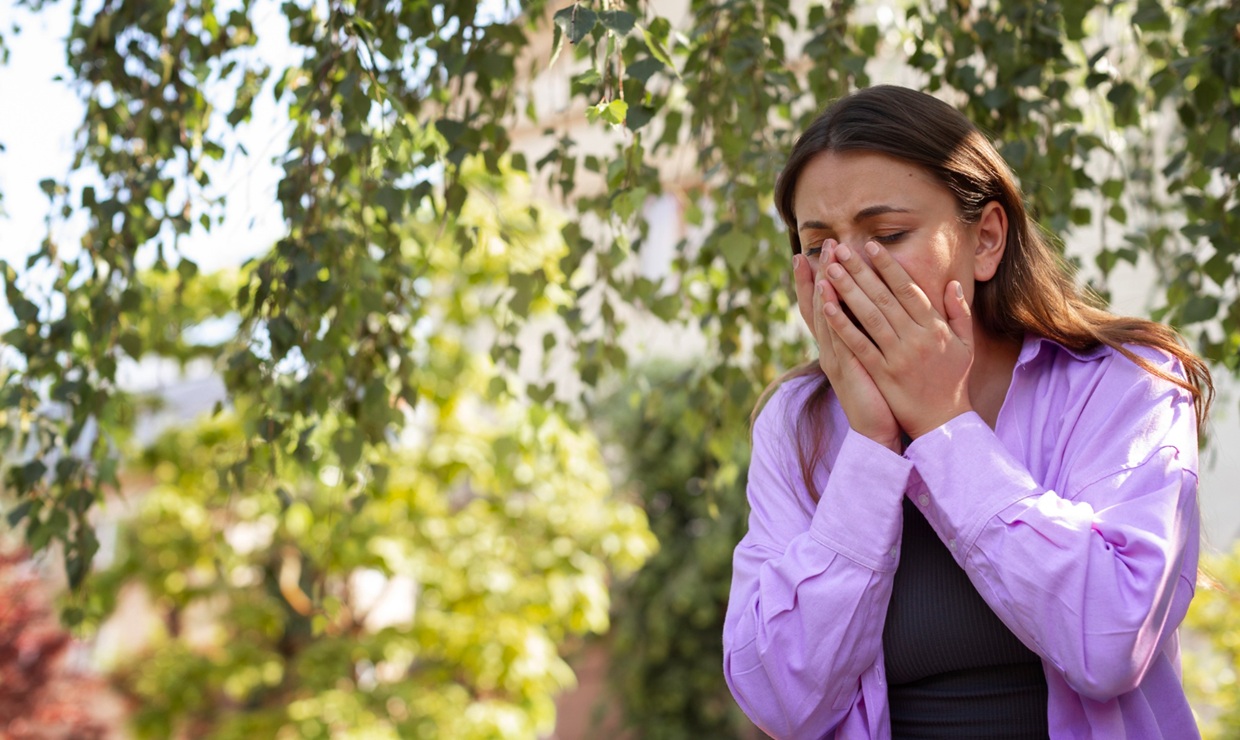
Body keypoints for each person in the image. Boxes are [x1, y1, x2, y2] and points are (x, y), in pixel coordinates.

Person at [722, 85, 1213, 739]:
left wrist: (944, 427)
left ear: (985, 240)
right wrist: (870, 448)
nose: (845, 270)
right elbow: (778, 698)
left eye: (887, 234)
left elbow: (1114, 639)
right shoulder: (798, 421)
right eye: (818, 246)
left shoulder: (1127, 384)